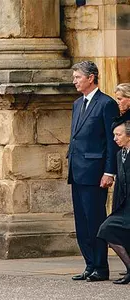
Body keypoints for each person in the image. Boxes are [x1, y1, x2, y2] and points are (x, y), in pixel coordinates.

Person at [68, 61, 119, 282]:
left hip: (95, 172)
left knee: (95, 220)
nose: (74, 81)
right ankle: (89, 264)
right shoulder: (77, 104)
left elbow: (111, 141)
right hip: (77, 171)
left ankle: (101, 266)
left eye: (78, 77)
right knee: (81, 222)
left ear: (91, 77)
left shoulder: (106, 103)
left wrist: (109, 171)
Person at [98, 115, 130, 284]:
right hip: (124, 206)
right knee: (106, 229)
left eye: (118, 135)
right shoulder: (120, 155)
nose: (115, 139)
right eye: (114, 135)